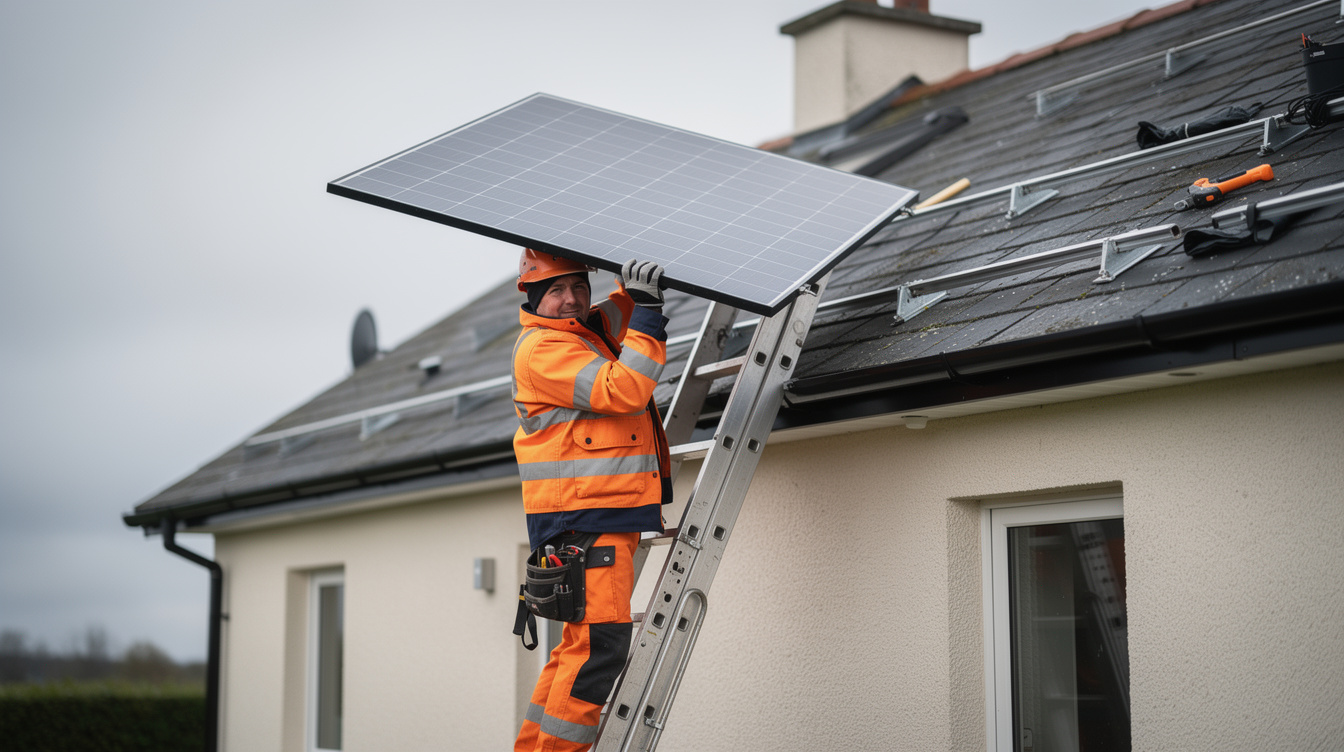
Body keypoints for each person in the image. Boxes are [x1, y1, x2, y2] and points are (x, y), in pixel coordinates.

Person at [511, 249, 672, 752]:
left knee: (576, 650)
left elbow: (617, 312)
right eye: (556, 290)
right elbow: (624, 389)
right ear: (534, 298)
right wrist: (647, 315)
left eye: (579, 287)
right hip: (585, 517)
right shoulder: (544, 349)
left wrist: (637, 291)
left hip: (589, 514)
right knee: (597, 650)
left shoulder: (580, 332)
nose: (571, 299)